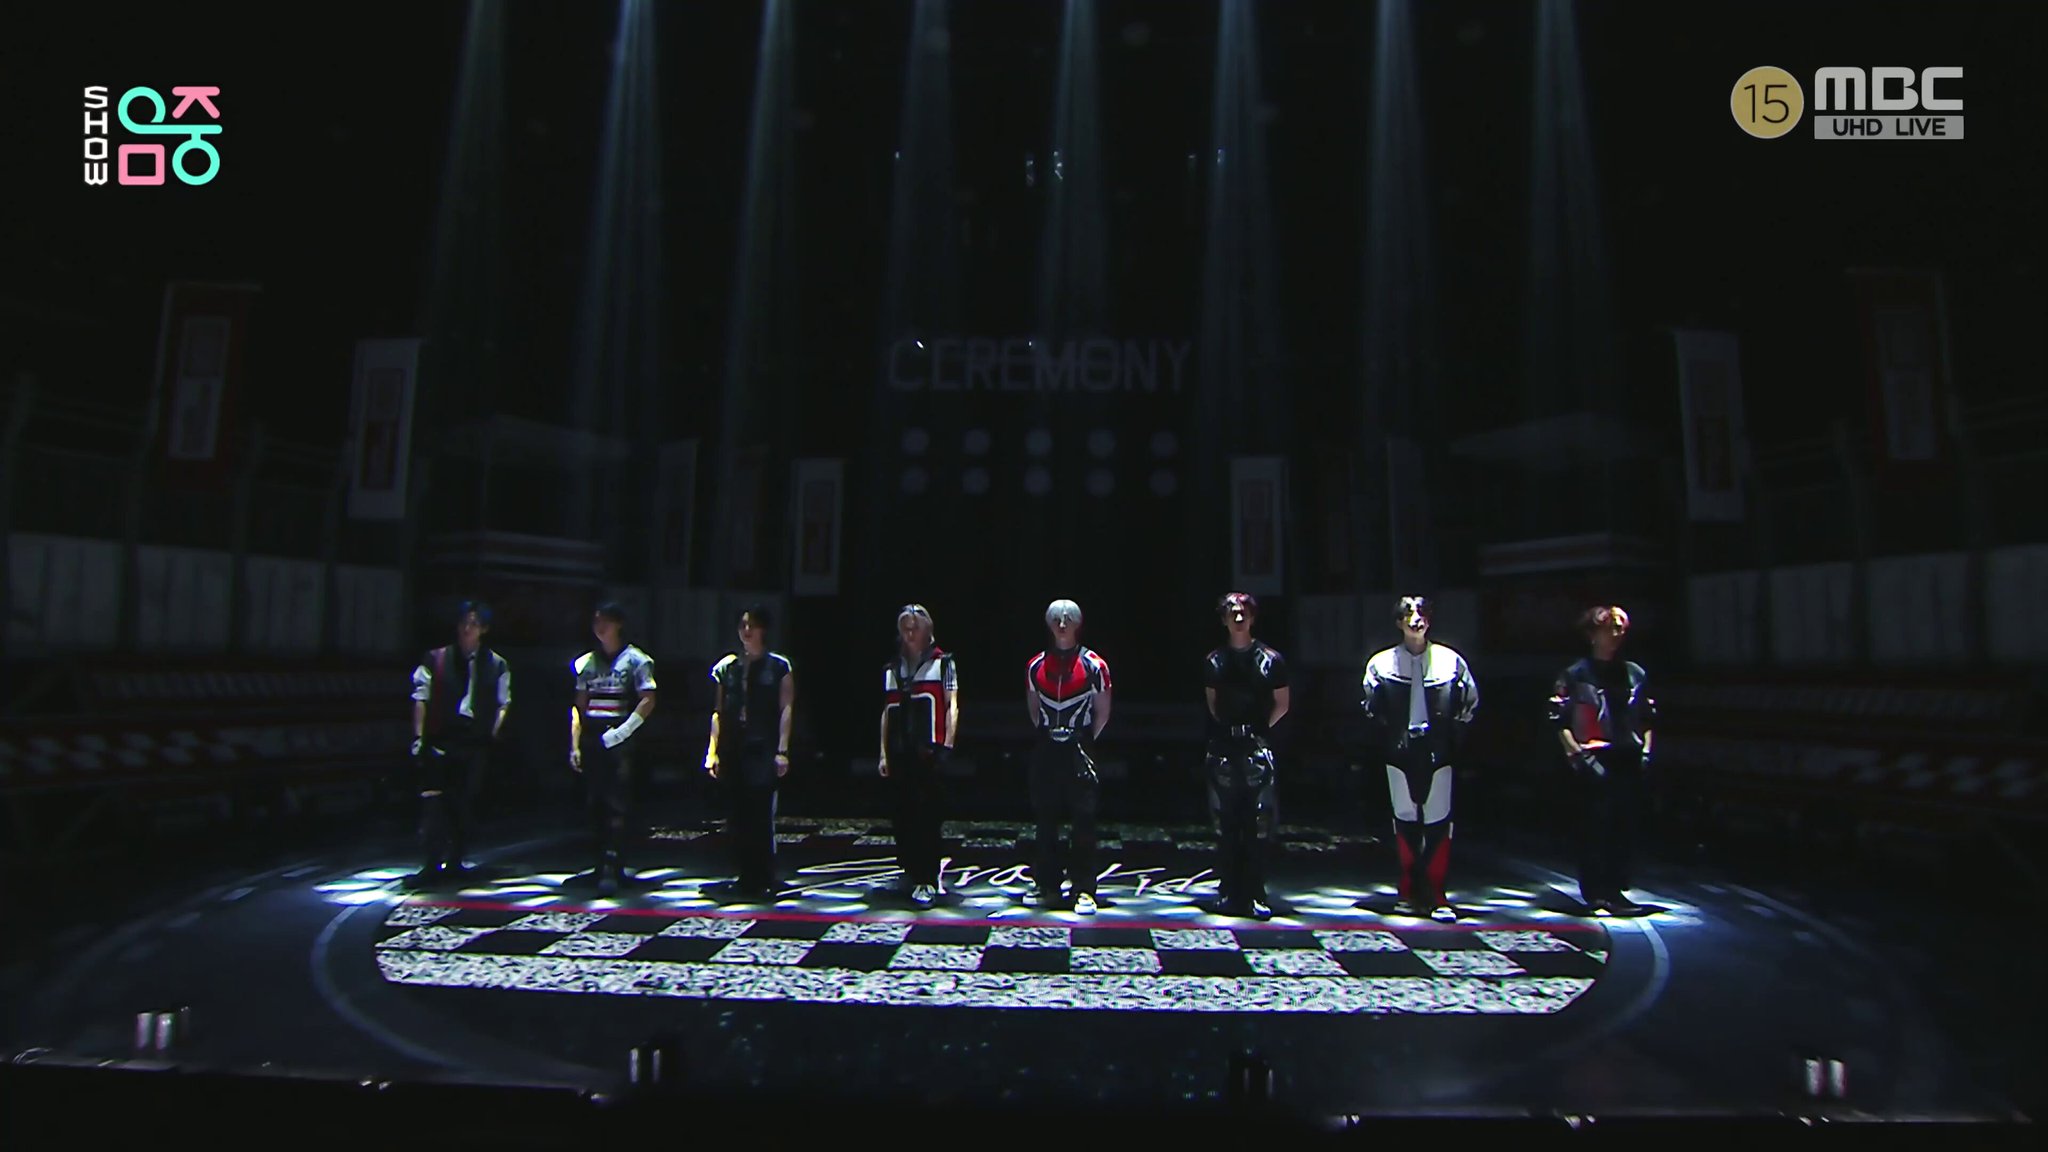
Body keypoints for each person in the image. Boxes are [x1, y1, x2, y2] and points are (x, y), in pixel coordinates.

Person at [1361, 595, 1479, 921]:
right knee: (1404, 819)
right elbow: (1370, 707)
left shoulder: (1450, 661)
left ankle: (1436, 894)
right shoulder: (1381, 663)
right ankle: (1409, 890)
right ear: (1398, 622)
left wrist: (1452, 736)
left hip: (1438, 749)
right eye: (1408, 614)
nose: (1416, 619)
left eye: (1422, 613)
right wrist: (1387, 737)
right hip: (1399, 750)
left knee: (1439, 820)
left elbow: (1469, 703)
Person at [1550, 605, 1657, 916]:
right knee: (1594, 824)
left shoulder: (1634, 674)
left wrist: (1646, 751)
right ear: (1593, 634)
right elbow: (1558, 718)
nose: (1617, 634)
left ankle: (1616, 890)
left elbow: (1647, 716)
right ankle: (1596, 892)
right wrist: (1576, 754)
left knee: (1624, 825)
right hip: (1592, 757)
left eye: (1621, 628)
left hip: (1627, 755)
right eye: (1611, 627)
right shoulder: (1575, 675)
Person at [407, 600, 511, 886]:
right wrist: (419, 737)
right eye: (464, 623)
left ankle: (456, 860)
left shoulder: (496, 663)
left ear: (483, 629)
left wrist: (492, 734)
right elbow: (421, 697)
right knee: (434, 803)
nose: (467, 629)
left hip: (474, 741)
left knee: (464, 803)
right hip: (441, 738)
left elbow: (504, 702)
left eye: (474, 624)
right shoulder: (436, 658)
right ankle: (431, 862)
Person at [1201, 592, 1290, 919]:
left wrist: (1258, 730)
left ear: (1252, 617)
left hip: (1256, 746)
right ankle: (1228, 891)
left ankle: (1255, 893)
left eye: (1243, 613)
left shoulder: (1270, 660)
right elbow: (1213, 704)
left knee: (1258, 822)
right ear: (1224, 619)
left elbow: (1282, 703)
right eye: (1232, 613)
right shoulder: (1215, 661)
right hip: (1224, 745)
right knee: (1226, 823)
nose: (1238, 618)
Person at [1024, 599, 1113, 914]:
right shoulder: (1036, 665)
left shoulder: (1095, 665)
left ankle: (1084, 889)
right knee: (1045, 819)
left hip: (1079, 746)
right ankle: (1047, 885)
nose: (1062, 624)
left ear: (1078, 623)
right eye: (1057, 619)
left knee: (1083, 820)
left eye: (1068, 619)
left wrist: (1083, 739)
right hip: (1048, 746)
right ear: (1049, 624)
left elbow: (1103, 712)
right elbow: (1034, 710)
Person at [705, 604, 795, 900]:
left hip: (763, 747)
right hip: (734, 747)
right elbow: (718, 712)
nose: (747, 630)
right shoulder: (727, 667)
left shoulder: (778, 666)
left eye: (752, 625)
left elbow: (786, 708)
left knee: (761, 814)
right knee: (738, 815)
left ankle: (764, 875)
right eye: (743, 625)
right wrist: (712, 751)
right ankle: (745, 875)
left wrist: (782, 750)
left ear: (763, 630)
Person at [570, 601, 657, 896]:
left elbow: (648, 700)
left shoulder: (636, 660)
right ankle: (597, 864)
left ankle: (615, 864)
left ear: (618, 624)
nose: (600, 627)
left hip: (621, 735)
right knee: (593, 802)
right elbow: (578, 706)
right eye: (596, 621)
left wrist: (623, 732)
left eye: (605, 621)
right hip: (593, 735)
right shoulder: (586, 662)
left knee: (617, 803)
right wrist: (575, 744)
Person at [879, 603, 958, 908]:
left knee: (928, 815)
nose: (910, 634)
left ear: (927, 631)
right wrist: (883, 753)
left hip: (930, 750)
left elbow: (952, 704)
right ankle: (911, 871)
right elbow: (887, 711)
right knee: (902, 815)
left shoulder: (943, 663)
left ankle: (927, 877)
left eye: (915, 628)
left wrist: (947, 744)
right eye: (905, 629)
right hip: (900, 751)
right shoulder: (893, 667)